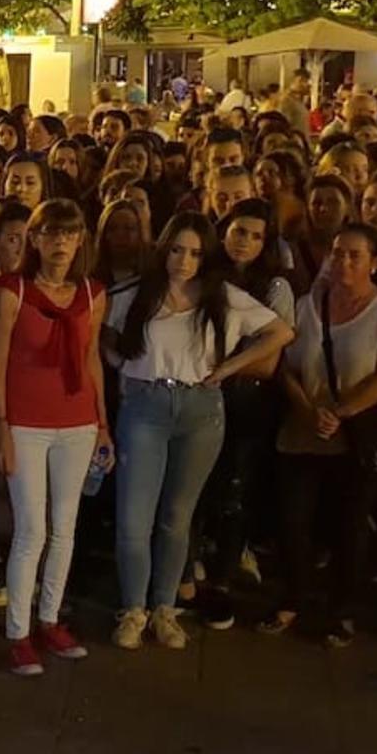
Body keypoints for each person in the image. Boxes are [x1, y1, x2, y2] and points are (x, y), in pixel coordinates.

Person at [102, 213, 292, 650]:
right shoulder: (136, 294)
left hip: (201, 408)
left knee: (177, 517)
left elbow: (281, 331)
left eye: (193, 253)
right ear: (164, 249)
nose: (183, 262)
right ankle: (134, 607)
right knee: (135, 515)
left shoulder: (222, 296)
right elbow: (101, 331)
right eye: (176, 250)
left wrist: (230, 366)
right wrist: (123, 366)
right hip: (146, 403)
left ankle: (166, 607)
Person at [263, 224, 377, 646]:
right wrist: (307, 408)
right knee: (294, 518)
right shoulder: (306, 305)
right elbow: (286, 366)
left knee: (350, 524)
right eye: (337, 253)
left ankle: (342, 608)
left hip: (357, 434)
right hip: (305, 428)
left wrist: (341, 412)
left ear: (375, 263)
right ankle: (294, 594)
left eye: (354, 255)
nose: (343, 262)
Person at [0, 200, 108, 676]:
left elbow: (92, 356)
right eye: (51, 234)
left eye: (69, 233)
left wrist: (102, 424)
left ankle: (50, 618)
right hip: (27, 423)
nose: (60, 243)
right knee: (31, 529)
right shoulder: (12, 292)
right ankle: (18, 632)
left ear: (80, 240)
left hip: (76, 421)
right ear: (35, 240)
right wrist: (1, 426)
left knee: (65, 527)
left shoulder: (93, 294)